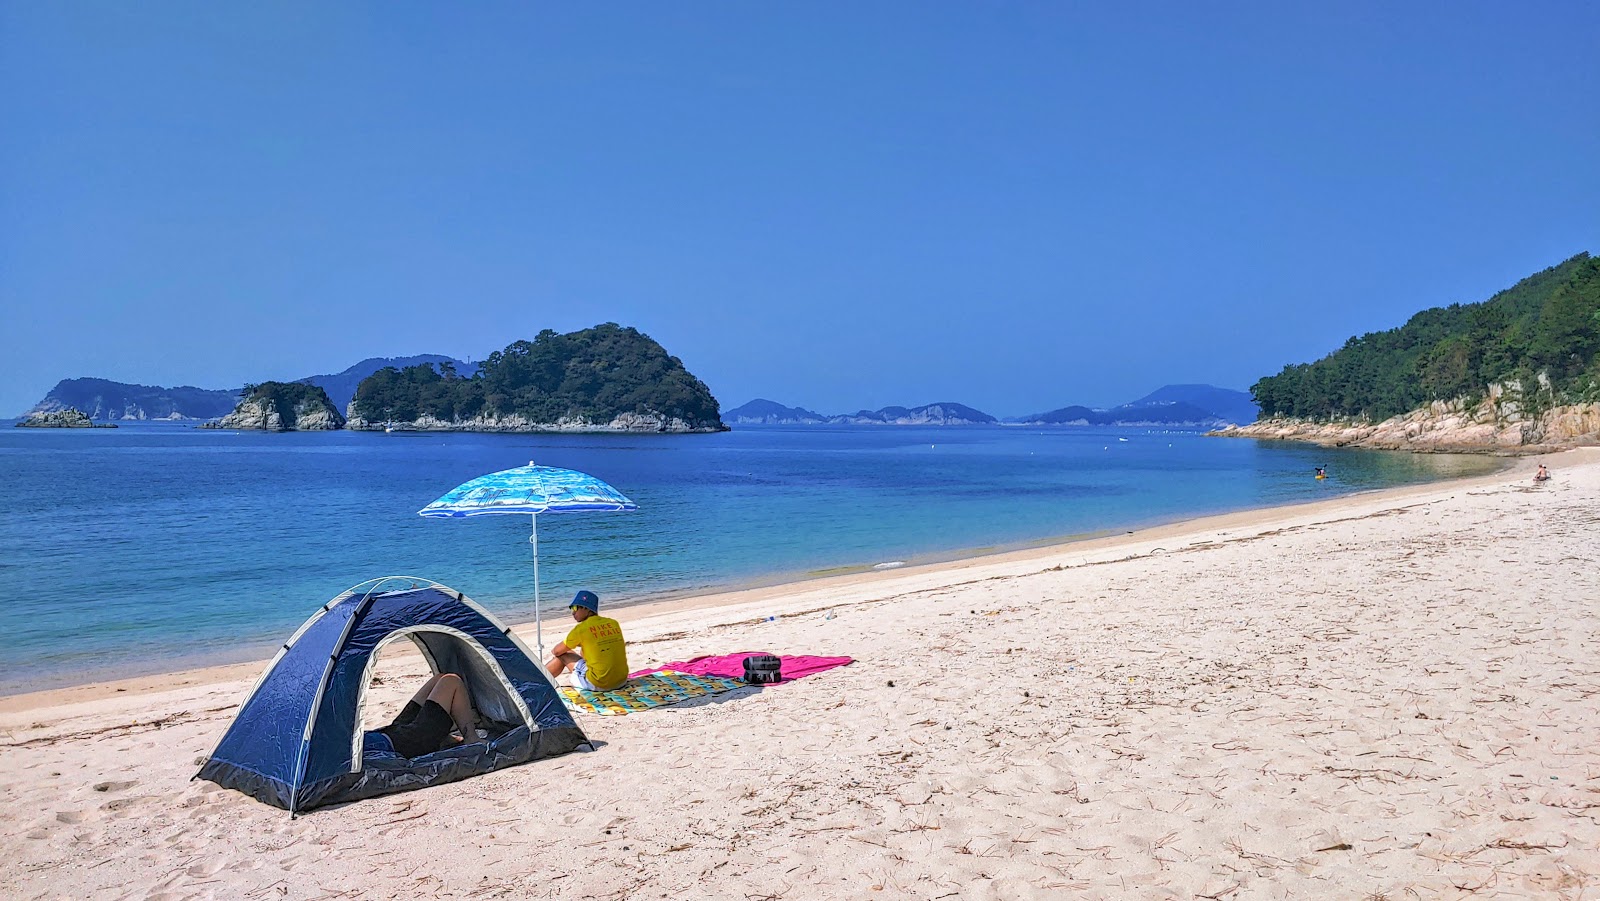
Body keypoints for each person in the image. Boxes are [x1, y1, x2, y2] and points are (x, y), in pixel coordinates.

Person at [362, 672, 481, 759]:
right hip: (407, 744)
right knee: (452, 681)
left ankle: (444, 737)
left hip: (390, 733)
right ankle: (471, 738)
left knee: (440, 677)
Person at [546, 590, 629, 692]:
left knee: (563, 655)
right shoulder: (613, 623)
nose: (573, 612)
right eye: (572, 609)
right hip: (621, 681)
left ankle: (538, 681)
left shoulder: (581, 629)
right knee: (572, 652)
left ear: (586, 608)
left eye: (575, 608)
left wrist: (556, 652)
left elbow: (556, 651)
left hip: (599, 683)